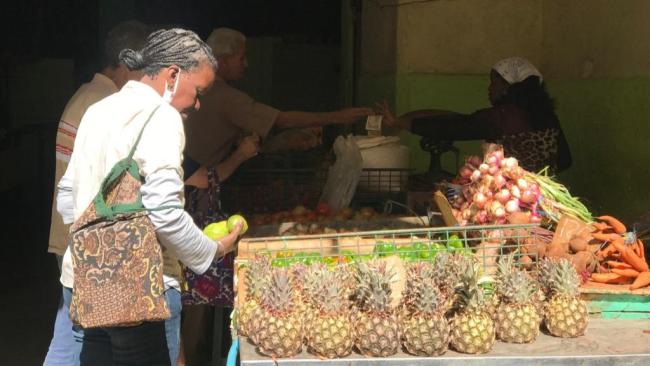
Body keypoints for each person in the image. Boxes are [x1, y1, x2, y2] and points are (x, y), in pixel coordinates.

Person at [181, 27, 373, 365]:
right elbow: (278, 119)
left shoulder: (219, 94)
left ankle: (196, 350)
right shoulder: (222, 95)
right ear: (223, 59)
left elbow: (255, 138)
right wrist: (337, 117)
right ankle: (193, 354)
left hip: (201, 187)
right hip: (197, 192)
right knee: (197, 288)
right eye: (242, 56)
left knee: (195, 286)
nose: (247, 64)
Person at [55, 27, 242, 365]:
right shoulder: (162, 117)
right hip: (140, 290)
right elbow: (165, 212)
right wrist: (211, 250)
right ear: (173, 74)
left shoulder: (97, 111)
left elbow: (67, 199)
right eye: (199, 91)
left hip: (83, 282)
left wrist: (101, 242)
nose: (198, 104)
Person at [44, 20, 151, 366]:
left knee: (69, 334)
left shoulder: (85, 96)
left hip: (70, 234)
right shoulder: (104, 105)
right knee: (89, 341)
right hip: (89, 241)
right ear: (125, 64)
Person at [376, 57, 572, 174]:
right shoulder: (547, 116)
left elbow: (454, 128)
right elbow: (564, 160)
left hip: (513, 202)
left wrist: (401, 122)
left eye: (493, 83)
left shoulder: (502, 117)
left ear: (506, 87)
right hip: (542, 200)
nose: (489, 89)